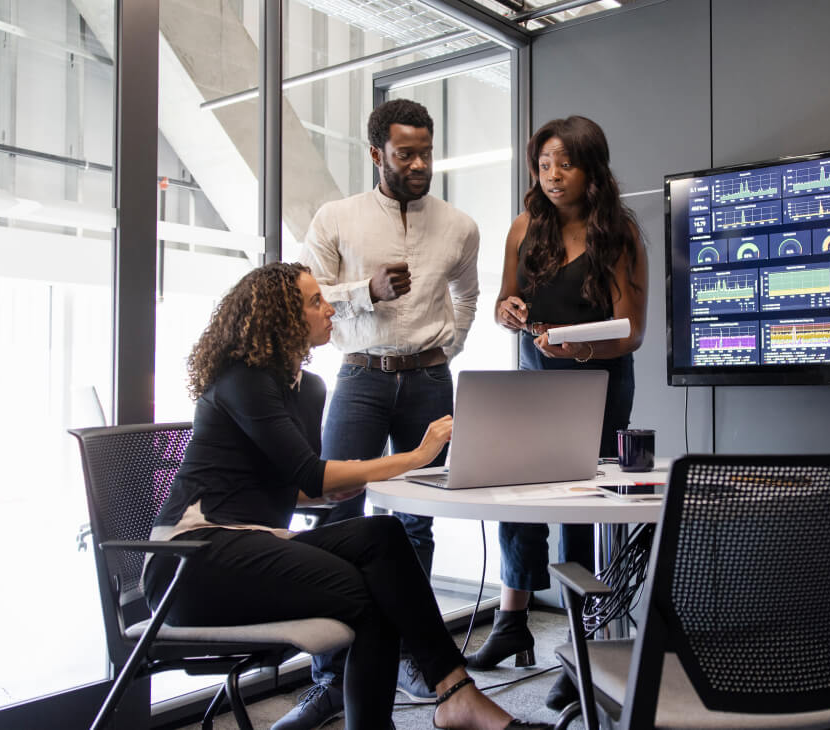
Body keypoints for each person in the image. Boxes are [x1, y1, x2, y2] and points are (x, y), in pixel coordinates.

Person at [142, 263, 548, 730]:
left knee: (384, 536)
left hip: (252, 542)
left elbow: (296, 488)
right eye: (315, 301)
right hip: (191, 563)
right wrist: (418, 456)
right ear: (281, 317)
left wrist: (344, 482)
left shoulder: (305, 386)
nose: (330, 307)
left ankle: (454, 692)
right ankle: (453, 696)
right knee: (376, 591)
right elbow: (312, 475)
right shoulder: (243, 379)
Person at [293, 98, 480, 724]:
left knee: (417, 521)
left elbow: (467, 296)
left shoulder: (458, 225)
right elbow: (309, 300)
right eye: (406, 154)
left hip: (428, 380)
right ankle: (327, 676)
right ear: (376, 153)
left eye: (427, 151)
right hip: (360, 377)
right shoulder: (336, 217)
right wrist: (363, 293)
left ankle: (405, 648)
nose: (420, 163)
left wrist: (444, 348)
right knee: (337, 514)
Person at [469, 116, 648, 711]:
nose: (551, 176)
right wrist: (509, 311)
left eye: (564, 164)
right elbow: (500, 303)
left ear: (591, 169)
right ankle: (513, 620)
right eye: (543, 164)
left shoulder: (618, 233)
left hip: (596, 383)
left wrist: (581, 348)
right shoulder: (525, 227)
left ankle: (580, 648)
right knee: (516, 494)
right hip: (535, 382)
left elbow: (633, 332)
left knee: (580, 512)